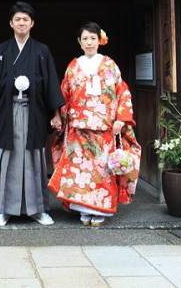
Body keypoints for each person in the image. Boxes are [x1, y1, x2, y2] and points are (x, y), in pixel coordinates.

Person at [0, 1, 65, 227]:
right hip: (8, 111)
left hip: (33, 112)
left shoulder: (42, 51)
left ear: (32, 23)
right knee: (8, 156)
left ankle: (38, 209)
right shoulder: (1, 51)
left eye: (26, 19)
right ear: (11, 23)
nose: (22, 23)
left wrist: (56, 113)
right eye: (18, 19)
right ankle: (5, 209)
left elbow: (51, 85)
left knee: (33, 157)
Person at [48, 22, 141, 226]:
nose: (89, 42)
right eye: (85, 39)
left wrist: (121, 119)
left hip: (104, 127)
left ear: (100, 40)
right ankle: (83, 208)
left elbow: (122, 91)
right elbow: (65, 94)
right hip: (78, 128)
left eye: (92, 38)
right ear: (79, 42)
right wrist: (59, 116)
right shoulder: (73, 66)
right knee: (79, 169)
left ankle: (100, 209)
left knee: (101, 170)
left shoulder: (109, 64)